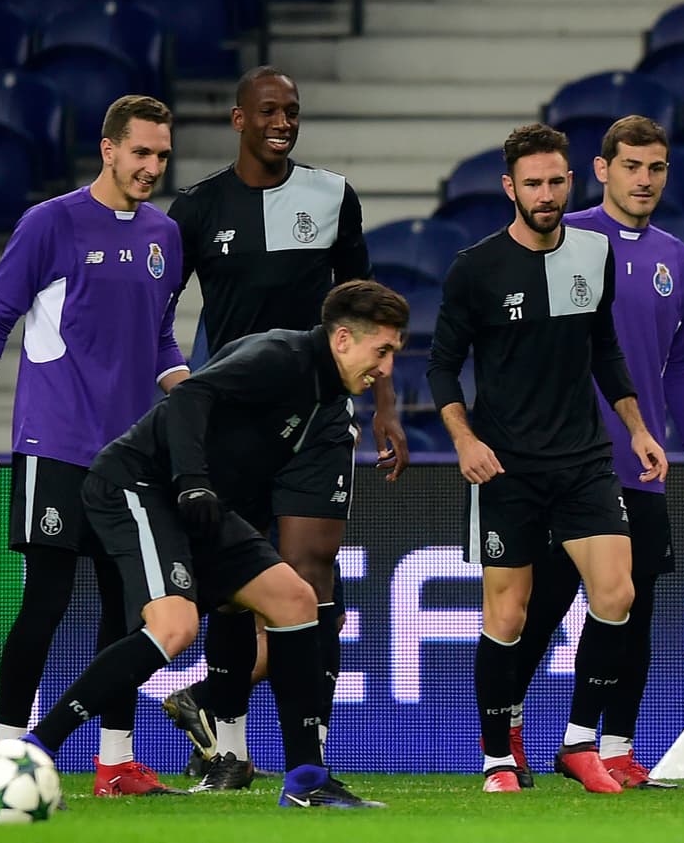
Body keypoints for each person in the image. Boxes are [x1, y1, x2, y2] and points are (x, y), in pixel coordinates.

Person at [21, 279, 405, 809]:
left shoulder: (330, 401)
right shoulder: (279, 354)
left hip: (205, 506)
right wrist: (192, 481)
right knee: (174, 627)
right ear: (342, 339)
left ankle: (307, 782)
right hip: (140, 483)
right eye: (380, 351)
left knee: (295, 601)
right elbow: (192, 395)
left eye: (393, 354)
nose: (386, 367)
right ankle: (32, 753)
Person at [159, 65, 409, 790]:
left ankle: (310, 754)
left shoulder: (333, 196)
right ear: (238, 118)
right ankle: (228, 749)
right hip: (236, 422)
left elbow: (371, 313)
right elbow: (152, 311)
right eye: (269, 110)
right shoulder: (199, 208)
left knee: (308, 572)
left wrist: (385, 403)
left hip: (322, 417)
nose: (284, 121)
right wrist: (176, 379)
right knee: (240, 584)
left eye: (293, 111)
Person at [427, 122, 669, 794]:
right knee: (508, 615)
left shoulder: (593, 253)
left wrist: (638, 427)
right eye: (532, 182)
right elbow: (442, 367)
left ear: (572, 181)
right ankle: (498, 755)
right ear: (510, 187)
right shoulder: (475, 268)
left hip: (585, 458)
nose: (546, 193)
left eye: (556, 181)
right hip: (506, 465)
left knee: (617, 592)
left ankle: (579, 740)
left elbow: (603, 349)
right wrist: (465, 440)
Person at [0, 95, 190, 796]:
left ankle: (115, 760)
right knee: (48, 600)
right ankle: (4, 750)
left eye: (162, 154)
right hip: (53, 442)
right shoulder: (50, 222)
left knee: (129, 609)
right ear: (109, 148)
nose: (152, 166)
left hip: (131, 457)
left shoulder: (164, 235)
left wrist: (196, 402)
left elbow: (158, 339)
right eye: (141, 152)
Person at [502, 116, 684, 790]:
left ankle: (615, 747)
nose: (645, 179)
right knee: (541, 606)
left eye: (656, 167)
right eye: (631, 165)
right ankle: (504, 734)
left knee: (636, 609)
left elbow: (680, 369)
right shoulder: (560, 238)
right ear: (601, 170)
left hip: (644, 463)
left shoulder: (678, 260)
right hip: (563, 461)